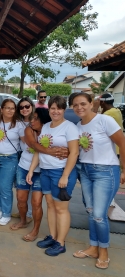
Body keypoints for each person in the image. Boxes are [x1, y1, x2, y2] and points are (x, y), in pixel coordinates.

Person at [72, 92, 125, 269]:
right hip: (86, 171)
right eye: (75, 105)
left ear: (91, 103)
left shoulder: (105, 120)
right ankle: (94, 247)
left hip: (106, 171)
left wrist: (124, 169)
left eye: (82, 104)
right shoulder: (78, 126)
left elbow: (122, 143)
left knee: (99, 216)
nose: (79, 107)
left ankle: (104, 252)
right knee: (90, 210)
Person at [27, 95, 79, 257]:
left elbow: (74, 152)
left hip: (60, 172)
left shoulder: (69, 127)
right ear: (49, 109)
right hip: (45, 171)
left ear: (64, 110)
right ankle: (53, 236)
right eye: (53, 108)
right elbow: (39, 150)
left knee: (61, 209)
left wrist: (65, 175)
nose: (56, 111)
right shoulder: (47, 126)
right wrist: (31, 170)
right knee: (50, 205)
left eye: (59, 108)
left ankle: (61, 243)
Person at [13, 108, 51, 242]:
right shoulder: (28, 130)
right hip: (24, 167)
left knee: (36, 203)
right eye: (32, 118)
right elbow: (33, 145)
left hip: (41, 171)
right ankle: (23, 220)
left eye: (35, 118)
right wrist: (52, 151)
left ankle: (35, 230)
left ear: (43, 120)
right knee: (21, 199)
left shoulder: (50, 132)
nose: (32, 120)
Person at [0, 99, 25, 226]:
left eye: (12, 108)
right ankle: (0, 209)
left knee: (5, 187)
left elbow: (25, 142)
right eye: (7, 108)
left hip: (9, 159)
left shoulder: (19, 125)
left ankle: (6, 213)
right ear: (2, 109)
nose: (10, 110)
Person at [11, 97, 35, 223]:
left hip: (35, 157)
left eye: (27, 106)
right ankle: (22, 211)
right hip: (21, 156)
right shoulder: (18, 122)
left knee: (31, 188)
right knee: (20, 188)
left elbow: (32, 142)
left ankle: (30, 214)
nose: (24, 109)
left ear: (31, 106)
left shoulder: (37, 122)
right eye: (21, 107)